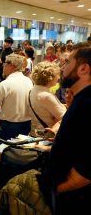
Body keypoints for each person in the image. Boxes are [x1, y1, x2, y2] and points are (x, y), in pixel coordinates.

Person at [41, 42, 91, 214]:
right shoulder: (80, 99)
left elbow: (87, 168)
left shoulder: (88, 103)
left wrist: (58, 189)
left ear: (83, 68)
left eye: (68, 62)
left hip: (75, 199)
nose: (62, 66)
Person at [0, 53, 33, 140]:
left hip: (9, 126)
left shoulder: (5, 84)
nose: (3, 66)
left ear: (11, 66)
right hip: (27, 124)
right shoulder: (28, 81)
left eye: (5, 64)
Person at [29, 61, 66, 137]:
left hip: (36, 133)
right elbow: (65, 117)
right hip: (47, 135)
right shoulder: (46, 96)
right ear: (50, 77)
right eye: (57, 75)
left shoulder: (33, 90)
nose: (58, 77)